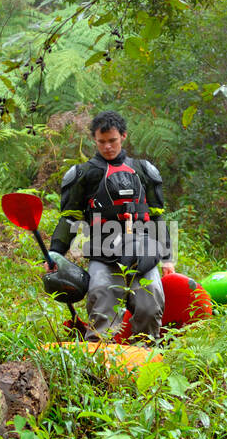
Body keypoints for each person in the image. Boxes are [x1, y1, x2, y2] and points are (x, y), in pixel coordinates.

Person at [48, 110, 175, 342]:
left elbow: (157, 217)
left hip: (143, 253)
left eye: (112, 141)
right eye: (101, 142)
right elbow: (69, 219)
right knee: (102, 300)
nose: (107, 147)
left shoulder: (144, 171)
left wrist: (167, 258)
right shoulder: (84, 174)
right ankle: (99, 360)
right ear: (94, 140)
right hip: (104, 252)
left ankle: (145, 355)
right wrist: (55, 253)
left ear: (123, 136)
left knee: (151, 301)